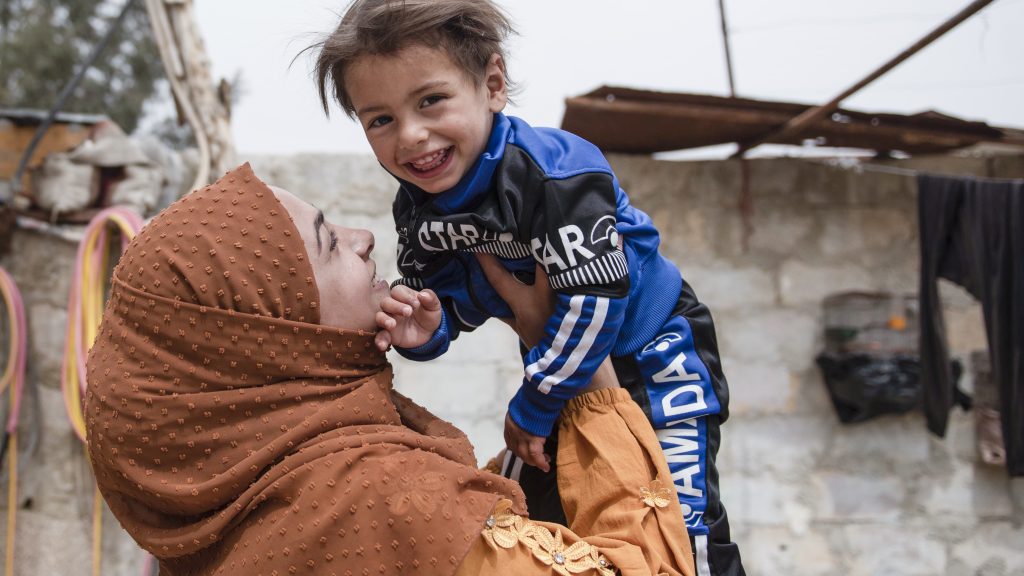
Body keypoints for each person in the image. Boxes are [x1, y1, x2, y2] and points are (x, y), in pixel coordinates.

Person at [84, 163, 696, 576]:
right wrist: (582, 367)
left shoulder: (241, 509)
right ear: (278, 335)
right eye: (329, 243)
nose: (362, 238)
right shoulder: (382, 507)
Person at [309, 2, 744, 573]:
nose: (411, 135)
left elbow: (596, 302)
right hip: (557, 366)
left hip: (655, 356)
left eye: (430, 100)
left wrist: (536, 403)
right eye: (380, 120)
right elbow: (453, 300)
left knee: (678, 532)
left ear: (493, 85)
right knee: (527, 514)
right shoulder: (418, 207)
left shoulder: (556, 173)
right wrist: (430, 328)